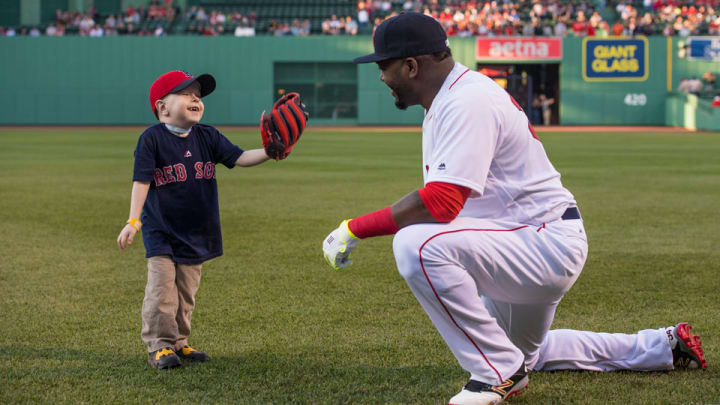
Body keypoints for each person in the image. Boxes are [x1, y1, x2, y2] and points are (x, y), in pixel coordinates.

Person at [321, 13, 706, 405]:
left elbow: (441, 203)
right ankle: (662, 346)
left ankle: (495, 375)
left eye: (383, 66)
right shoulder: (451, 96)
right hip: (522, 239)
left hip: (541, 242)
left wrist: (354, 228)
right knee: (526, 355)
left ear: (411, 66)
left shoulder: (466, 100)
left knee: (415, 245)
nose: (381, 76)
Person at [117, 70, 307, 369]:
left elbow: (240, 157)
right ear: (162, 107)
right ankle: (159, 346)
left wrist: (272, 152)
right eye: (185, 93)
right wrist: (133, 221)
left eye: (198, 94)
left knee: (186, 294)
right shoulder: (151, 139)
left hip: (197, 231)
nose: (195, 98)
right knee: (162, 291)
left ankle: (179, 343)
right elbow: (141, 181)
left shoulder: (208, 135)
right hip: (161, 231)